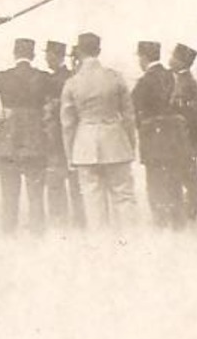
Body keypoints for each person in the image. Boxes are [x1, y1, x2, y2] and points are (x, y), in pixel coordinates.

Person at [60, 33, 137, 228]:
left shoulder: (72, 82)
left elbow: (67, 124)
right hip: (116, 143)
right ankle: (130, 244)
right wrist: (130, 144)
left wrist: (70, 154)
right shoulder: (115, 77)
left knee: (92, 200)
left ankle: (100, 246)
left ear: (79, 51)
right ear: (99, 51)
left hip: (85, 146)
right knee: (123, 197)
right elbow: (129, 116)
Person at [0, 37, 50, 231]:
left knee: (9, 191)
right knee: (36, 192)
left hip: (8, 140)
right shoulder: (43, 77)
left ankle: (8, 232)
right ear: (32, 55)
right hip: (35, 141)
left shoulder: (2, 77)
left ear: (15, 55)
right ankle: (37, 233)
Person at [133, 41, 188, 227]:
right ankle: (178, 224)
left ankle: (161, 225)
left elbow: (135, 109)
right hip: (174, 139)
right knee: (174, 184)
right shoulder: (172, 76)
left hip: (153, 140)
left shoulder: (144, 81)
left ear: (144, 57)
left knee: (156, 184)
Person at [42, 39, 85, 227]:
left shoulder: (53, 80)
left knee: (56, 182)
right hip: (71, 138)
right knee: (74, 182)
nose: (46, 59)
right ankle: (79, 221)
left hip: (57, 138)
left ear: (57, 57)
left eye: (48, 55)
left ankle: (60, 220)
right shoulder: (71, 77)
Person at [168, 43, 197, 223]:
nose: (170, 59)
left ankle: (189, 213)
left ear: (180, 61)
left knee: (187, 179)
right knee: (185, 177)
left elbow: (192, 114)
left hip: (184, 138)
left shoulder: (186, 83)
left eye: (173, 56)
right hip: (185, 138)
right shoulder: (182, 80)